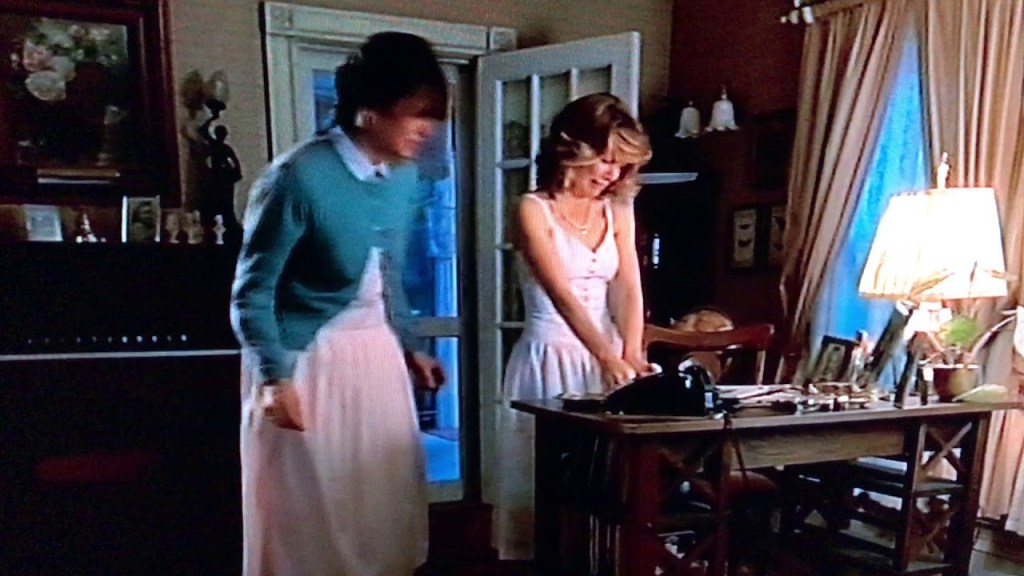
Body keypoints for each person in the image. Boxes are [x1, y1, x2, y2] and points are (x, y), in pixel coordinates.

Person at [230, 31, 448, 576]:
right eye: (417, 113)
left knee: (380, 509)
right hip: (308, 361)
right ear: (369, 112)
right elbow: (252, 292)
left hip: (376, 358)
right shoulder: (297, 177)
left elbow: (388, 271)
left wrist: (410, 346)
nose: (428, 128)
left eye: (435, 115)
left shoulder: (403, 177)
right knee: (314, 519)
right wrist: (274, 378)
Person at [495, 93, 654, 559]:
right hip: (550, 354)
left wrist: (631, 351)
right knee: (549, 490)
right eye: (606, 159)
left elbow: (629, 285)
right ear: (573, 149)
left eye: (622, 165)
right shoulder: (531, 208)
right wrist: (603, 353)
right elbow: (560, 293)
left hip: (607, 361)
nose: (613, 174)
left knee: (607, 492)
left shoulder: (617, 209)